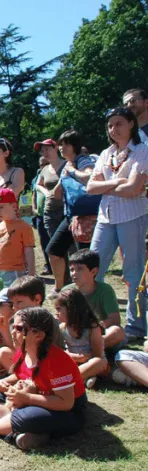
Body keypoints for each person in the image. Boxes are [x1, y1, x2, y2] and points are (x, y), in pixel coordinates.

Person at [0, 308, 88, 451]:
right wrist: (4, 383)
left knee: (29, 417)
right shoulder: (24, 352)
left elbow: (66, 403)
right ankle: (28, 433)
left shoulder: (56, 361)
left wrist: (27, 398)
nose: (13, 332)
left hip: (68, 412)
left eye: (19, 328)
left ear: (39, 335)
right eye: (13, 327)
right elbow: (21, 375)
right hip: (37, 400)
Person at [87, 107, 148, 339]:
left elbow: (134, 190)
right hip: (106, 217)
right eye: (110, 125)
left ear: (131, 124)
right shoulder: (105, 153)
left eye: (119, 123)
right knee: (92, 270)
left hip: (133, 216)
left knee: (133, 274)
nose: (114, 129)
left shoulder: (142, 150)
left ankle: (135, 327)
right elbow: (90, 188)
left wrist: (109, 185)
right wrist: (120, 182)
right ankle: (94, 321)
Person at [47, 130, 97, 291]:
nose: (62, 148)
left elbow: (89, 178)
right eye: (60, 145)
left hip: (86, 217)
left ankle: (88, 291)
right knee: (53, 251)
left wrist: (72, 172)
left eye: (66, 144)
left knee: (84, 260)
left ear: (74, 146)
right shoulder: (67, 165)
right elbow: (56, 193)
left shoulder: (83, 161)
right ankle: (60, 289)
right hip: (70, 217)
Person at [62, 249, 126, 350]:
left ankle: (90, 348)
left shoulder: (105, 290)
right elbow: (61, 318)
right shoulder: (66, 291)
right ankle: (89, 349)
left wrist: (93, 329)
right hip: (74, 332)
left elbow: (114, 320)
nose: (74, 273)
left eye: (79, 269)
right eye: (72, 270)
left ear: (94, 271)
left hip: (99, 332)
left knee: (118, 331)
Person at [52, 289, 108, 389]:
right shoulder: (62, 328)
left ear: (71, 309)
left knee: (99, 363)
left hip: (91, 362)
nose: (56, 313)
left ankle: (73, 379)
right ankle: (83, 378)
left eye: (59, 309)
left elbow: (97, 354)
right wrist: (73, 356)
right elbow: (58, 352)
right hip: (73, 362)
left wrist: (85, 358)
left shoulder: (92, 328)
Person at [0, 188, 36, 284]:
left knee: (12, 297)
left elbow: (29, 251)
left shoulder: (24, 227)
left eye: (1, 207)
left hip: (14, 272)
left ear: (14, 206)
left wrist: (31, 274)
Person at [34, 139, 66, 277]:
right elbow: (37, 185)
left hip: (66, 212)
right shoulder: (45, 169)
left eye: (47, 149)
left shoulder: (67, 165)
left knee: (69, 248)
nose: (44, 152)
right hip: (49, 213)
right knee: (55, 248)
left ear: (56, 148)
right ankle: (63, 281)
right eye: (42, 150)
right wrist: (46, 192)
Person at [31, 156, 53, 275]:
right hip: (40, 215)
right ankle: (48, 266)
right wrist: (34, 208)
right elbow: (34, 194)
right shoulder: (36, 179)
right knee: (44, 242)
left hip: (53, 213)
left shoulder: (54, 175)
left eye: (46, 163)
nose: (43, 167)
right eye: (41, 164)